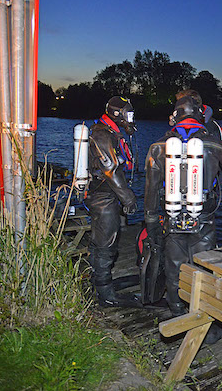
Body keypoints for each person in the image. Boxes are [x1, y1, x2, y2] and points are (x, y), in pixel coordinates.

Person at [143, 94, 222, 316]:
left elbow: (151, 188)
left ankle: (177, 311)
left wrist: (151, 219)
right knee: (204, 268)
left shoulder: (158, 146)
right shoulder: (212, 142)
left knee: (174, 267)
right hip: (203, 215)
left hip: (172, 215)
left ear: (176, 116)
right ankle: (203, 317)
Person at [86, 96, 140, 307]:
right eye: (128, 114)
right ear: (116, 114)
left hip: (106, 195)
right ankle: (106, 294)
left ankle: (99, 283)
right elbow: (111, 169)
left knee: (102, 241)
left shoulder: (110, 133)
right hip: (103, 197)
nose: (131, 119)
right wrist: (128, 197)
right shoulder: (102, 134)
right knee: (106, 244)